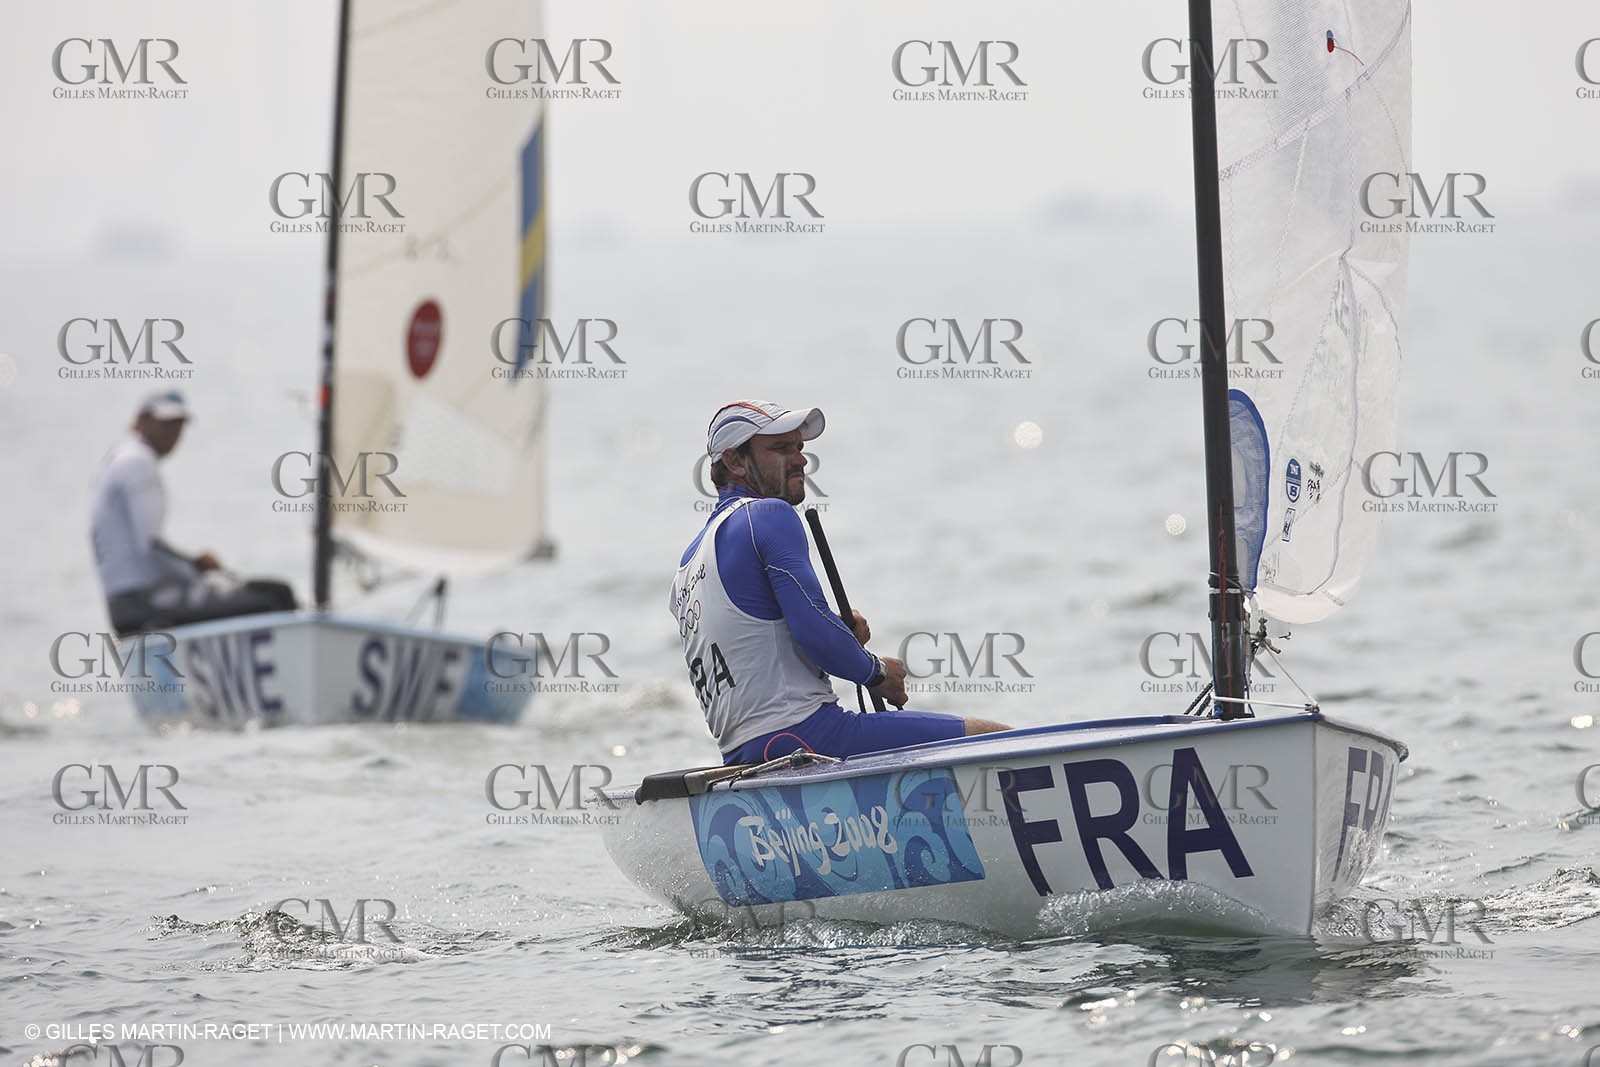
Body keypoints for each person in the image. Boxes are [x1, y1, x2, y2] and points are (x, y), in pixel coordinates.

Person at [672, 399, 1009, 765]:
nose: (801, 460)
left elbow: (758, 651)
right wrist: (876, 671)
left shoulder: (686, 568)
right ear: (736, 462)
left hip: (743, 756)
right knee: (998, 740)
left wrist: (841, 632)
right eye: (781, 449)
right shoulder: (768, 515)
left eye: (799, 448)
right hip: (807, 735)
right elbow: (814, 634)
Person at [90, 390, 298, 636]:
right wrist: (196, 569)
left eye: (178, 425)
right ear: (142, 421)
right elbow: (152, 546)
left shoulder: (118, 458)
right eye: (166, 424)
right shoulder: (138, 463)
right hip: (143, 601)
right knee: (274, 595)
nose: (174, 434)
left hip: (125, 604)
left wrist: (195, 569)